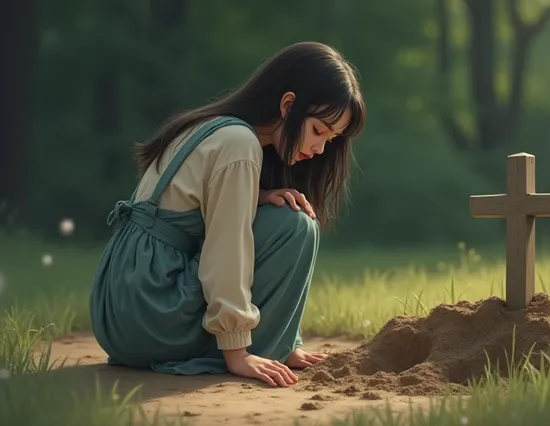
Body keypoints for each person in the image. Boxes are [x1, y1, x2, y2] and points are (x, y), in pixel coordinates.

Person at [89, 41, 366, 388]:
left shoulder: (214, 127)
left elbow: (186, 210)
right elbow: (225, 250)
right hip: (150, 314)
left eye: (332, 138)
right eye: (318, 130)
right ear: (288, 104)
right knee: (295, 226)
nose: (320, 148)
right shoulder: (239, 143)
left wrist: (258, 196)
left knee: (284, 213)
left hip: (120, 311)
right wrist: (238, 352)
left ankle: (278, 342)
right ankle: (261, 346)